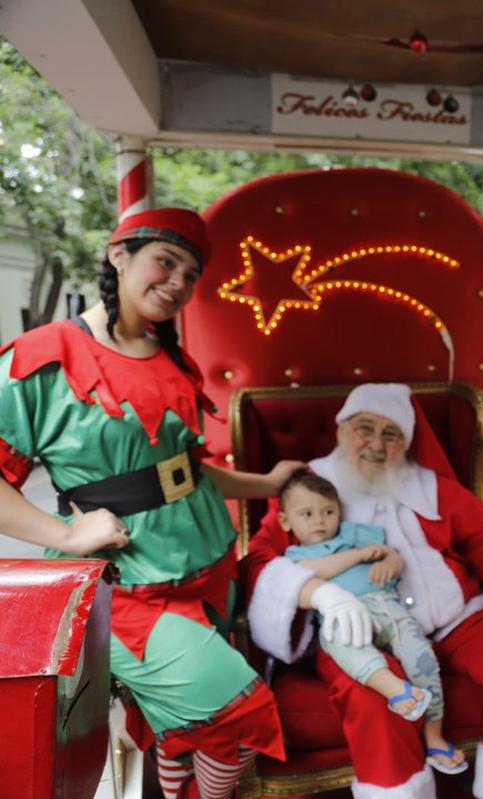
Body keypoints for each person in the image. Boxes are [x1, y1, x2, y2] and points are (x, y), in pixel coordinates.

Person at [0, 208, 305, 799]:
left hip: (211, 571)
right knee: (235, 713)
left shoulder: (168, 354)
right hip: (129, 588)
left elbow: (186, 473)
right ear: (120, 256)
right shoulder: (43, 356)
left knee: (189, 732)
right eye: (166, 262)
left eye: (190, 274)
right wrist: (64, 536)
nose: (178, 283)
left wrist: (268, 484)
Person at [242, 383, 483, 799]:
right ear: (340, 430)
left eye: (391, 434)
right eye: (364, 428)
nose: (375, 443)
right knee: (374, 697)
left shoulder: (428, 485)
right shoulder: (309, 489)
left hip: (455, 619)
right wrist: (318, 593)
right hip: (360, 631)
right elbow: (261, 561)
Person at [278, 472, 466, 774]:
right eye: (307, 514)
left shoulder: (356, 533)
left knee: (422, 657)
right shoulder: (296, 556)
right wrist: (360, 555)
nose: (319, 521)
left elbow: (393, 554)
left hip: (386, 606)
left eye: (328, 512)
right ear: (286, 521)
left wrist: (388, 562)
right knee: (341, 643)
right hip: (345, 615)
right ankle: (395, 689)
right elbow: (316, 571)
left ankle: (434, 735)